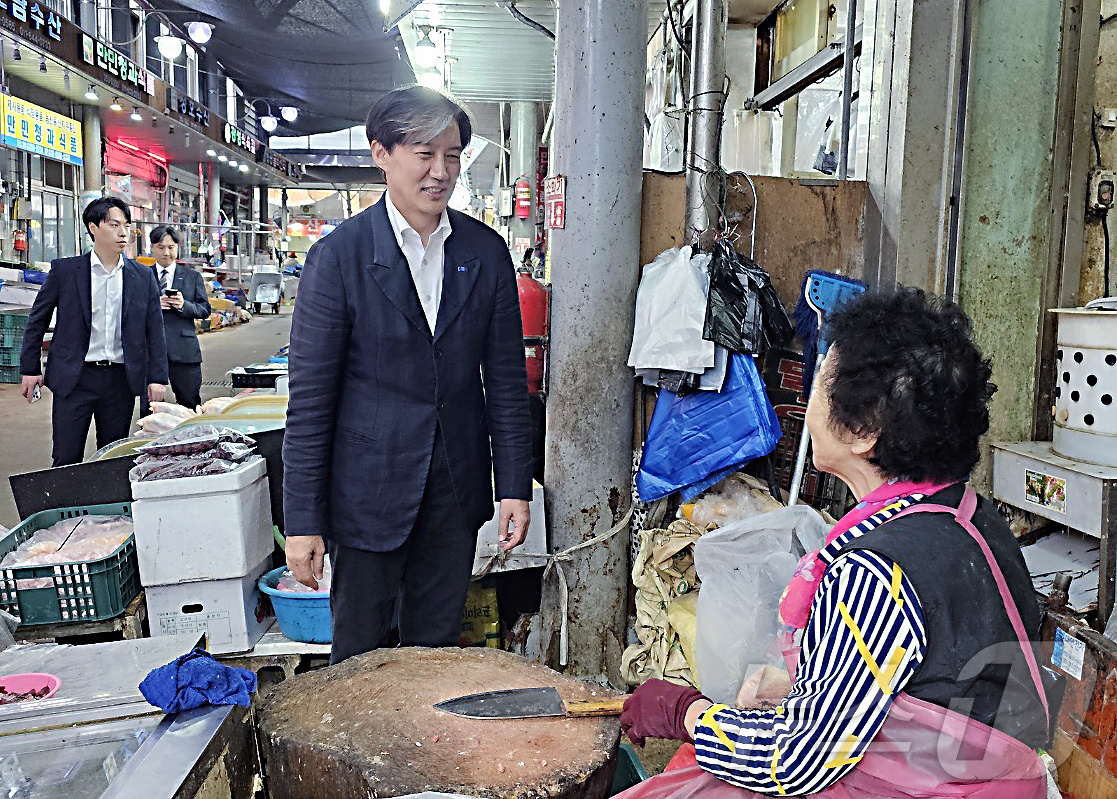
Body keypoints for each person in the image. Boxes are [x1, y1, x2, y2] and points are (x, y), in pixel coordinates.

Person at [619, 288, 1051, 798]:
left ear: (864, 428)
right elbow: (940, 685)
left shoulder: (874, 573)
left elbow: (794, 761)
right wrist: (802, 692)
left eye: (821, 382)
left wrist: (685, 711)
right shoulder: (967, 513)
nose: (810, 399)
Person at [282, 85, 533, 664]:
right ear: (381, 154)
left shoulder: (485, 251)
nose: (440, 172)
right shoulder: (339, 257)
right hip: (366, 491)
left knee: (435, 651)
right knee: (359, 656)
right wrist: (303, 522)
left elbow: (504, 382)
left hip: (455, 487)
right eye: (424, 154)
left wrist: (513, 485)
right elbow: (312, 402)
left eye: (451, 156)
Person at [20, 197, 168, 466]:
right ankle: (65, 506)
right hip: (75, 379)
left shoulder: (142, 276)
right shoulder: (66, 271)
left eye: (126, 225)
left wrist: (157, 377)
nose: (123, 232)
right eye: (114, 225)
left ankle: (106, 508)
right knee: (66, 456)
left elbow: (154, 331)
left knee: (112, 457)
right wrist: (30, 369)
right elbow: (37, 321)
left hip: (120, 380)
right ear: (93, 228)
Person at [149, 225, 211, 411]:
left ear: (177, 248)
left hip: (184, 351)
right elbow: (130, 310)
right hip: (150, 351)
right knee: (150, 408)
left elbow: (204, 310)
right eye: (161, 247)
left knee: (190, 405)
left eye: (171, 247)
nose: (166, 252)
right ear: (152, 248)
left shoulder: (192, 277)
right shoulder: (143, 275)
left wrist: (184, 305)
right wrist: (154, 305)